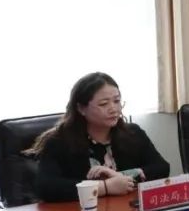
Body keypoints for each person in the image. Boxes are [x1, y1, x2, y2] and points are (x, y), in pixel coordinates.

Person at [29, 72, 170, 202]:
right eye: (104, 104)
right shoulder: (59, 142)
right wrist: (105, 187)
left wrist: (122, 177)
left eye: (117, 101)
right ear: (81, 108)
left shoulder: (132, 133)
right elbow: (46, 187)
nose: (113, 109)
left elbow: (162, 168)